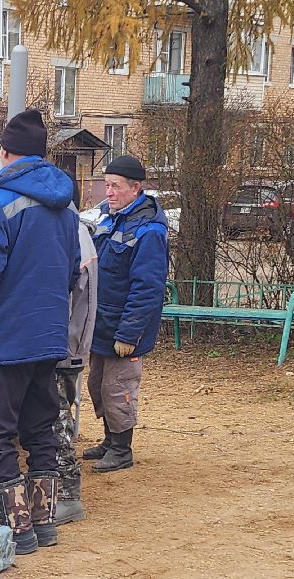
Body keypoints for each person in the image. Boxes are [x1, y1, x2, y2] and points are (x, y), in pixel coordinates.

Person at [0, 109, 80, 556]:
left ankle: (18, 529)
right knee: (40, 428)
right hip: (46, 336)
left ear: (5, 153)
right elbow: (68, 272)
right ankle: (44, 523)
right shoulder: (64, 206)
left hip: (4, 338)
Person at [83, 155, 169, 473]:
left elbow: (147, 288)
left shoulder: (149, 231)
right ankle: (110, 439)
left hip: (124, 330)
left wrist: (129, 334)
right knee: (98, 386)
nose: (109, 192)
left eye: (116, 186)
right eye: (106, 185)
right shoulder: (109, 217)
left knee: (118, 390)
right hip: (102, 324)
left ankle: (122, 449)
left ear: (135, 188)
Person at [55, 219, 98, 524]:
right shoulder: (71, 229)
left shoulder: (74, 234)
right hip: (63, 344)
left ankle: (68, 496)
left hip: (64, 346)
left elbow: (72, 298)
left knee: (57, 420)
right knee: (53, 416)